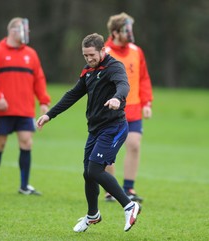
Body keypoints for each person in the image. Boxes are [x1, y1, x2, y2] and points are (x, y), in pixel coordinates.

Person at [36, 33, 141, 232]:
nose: (89, 59)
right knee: (88, 174)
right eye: (85, 55)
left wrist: (118, 98)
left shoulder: (114, 67)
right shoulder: (88, 71)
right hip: (95, 130)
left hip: (114, 127)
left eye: (92, 55)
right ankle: (93, 215)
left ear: (102, 50)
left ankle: (129, 205)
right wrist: (50, 115)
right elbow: (73, 94)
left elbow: (123, 85)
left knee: (94, 170)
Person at [0, 17, 50, 195]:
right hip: (1, 110)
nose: (27, 34)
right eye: (23, 30)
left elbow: (39, 79)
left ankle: (24, 186)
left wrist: (43, 101)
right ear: (12, 31)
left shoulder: (31, 54)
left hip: (24, 109)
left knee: (27, 142)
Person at [104, 12, 153, 203]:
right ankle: (110, 189)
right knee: (109, 149)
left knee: (134, 145)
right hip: (112, 110)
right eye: (126, 30)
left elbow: (144, 78)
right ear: (115, 32)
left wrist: (147, 102)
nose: (130, 33)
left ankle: (128, 188)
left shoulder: (136, 50)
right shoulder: (105, 52)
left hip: (133, 108)